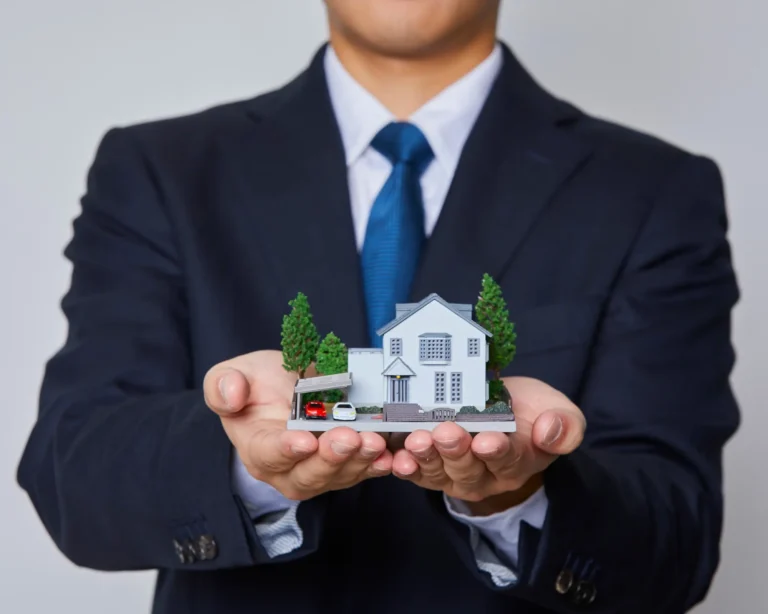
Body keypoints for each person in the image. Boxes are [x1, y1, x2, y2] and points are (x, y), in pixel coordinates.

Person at [17, 0, 740, 612]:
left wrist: (519, 494)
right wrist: (246, 460)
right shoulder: (160, 171)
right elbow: (75, 471)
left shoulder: (654, 191)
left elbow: (679, 537)